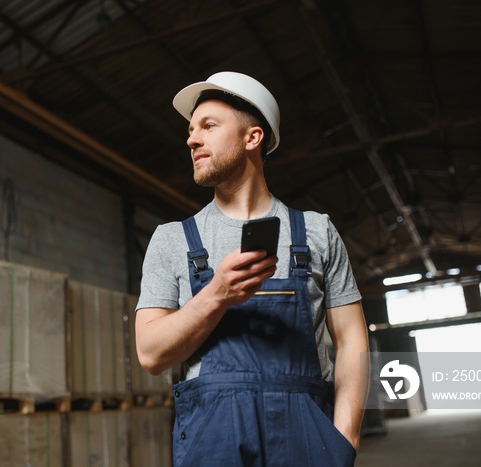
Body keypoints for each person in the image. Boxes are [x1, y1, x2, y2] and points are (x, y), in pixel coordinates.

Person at [135, 71, 369, 467]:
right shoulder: (172, 239)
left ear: (252, 138)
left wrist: (345, 439)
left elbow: (352, 341)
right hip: (215, 441)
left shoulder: (316, 231)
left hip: (306, 436)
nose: (192, 139)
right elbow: (150, 353)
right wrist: (217, 294)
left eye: (209, 126)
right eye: (191, 130)